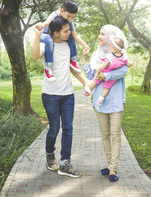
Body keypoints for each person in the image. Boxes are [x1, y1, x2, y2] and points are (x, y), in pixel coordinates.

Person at [32, 16, 87, 178]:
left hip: (68, 95)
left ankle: (65, 163)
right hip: (50, 94)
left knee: (68, 129)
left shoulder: (68, 45)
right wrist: (37, 35)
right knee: (54, 128)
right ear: (55, 33)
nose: (69, 33)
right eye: (65, 31)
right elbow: (35, 56)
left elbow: (72, 68)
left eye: (69, 30)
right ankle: (50, 155)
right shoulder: (46, 43)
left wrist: (85, 83)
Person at [82, 24, 130, 182]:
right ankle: (110, 165)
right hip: (99, 102)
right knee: (105, 135)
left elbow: (123, 71)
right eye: (99, 33)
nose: (100, 36)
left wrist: (105, 76)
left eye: (103, 34)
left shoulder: (120, 55)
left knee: (115, 136)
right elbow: (90, 74)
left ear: (111, 38)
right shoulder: (96, 55)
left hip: (116, 102)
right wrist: (84, 58)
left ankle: (113, 168)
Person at [36, 0, 90, 81]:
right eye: (68, 16)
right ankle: (48, 68)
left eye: (72, 17)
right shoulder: (55, 14)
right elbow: (48, 21)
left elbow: (75, 35)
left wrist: (85, 45)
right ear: (62, 11)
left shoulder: (69, 21)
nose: (70, 19)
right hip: (46, 35)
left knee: (70, 36)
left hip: (56, 36)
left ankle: (73, 60)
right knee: (49, 41)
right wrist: (41, 26)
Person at [85, 36, 133, 105]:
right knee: (107, 87)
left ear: (114, 50)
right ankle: (101, 98)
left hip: (104, 71)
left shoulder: (110, 56)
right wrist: (131, 63)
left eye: (110, 47)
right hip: (112, 77)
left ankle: (89, 90)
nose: (108, 49)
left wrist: (99, 69)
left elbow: (105, 64)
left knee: (96, 80)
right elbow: (128, 64)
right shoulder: (123, 57)